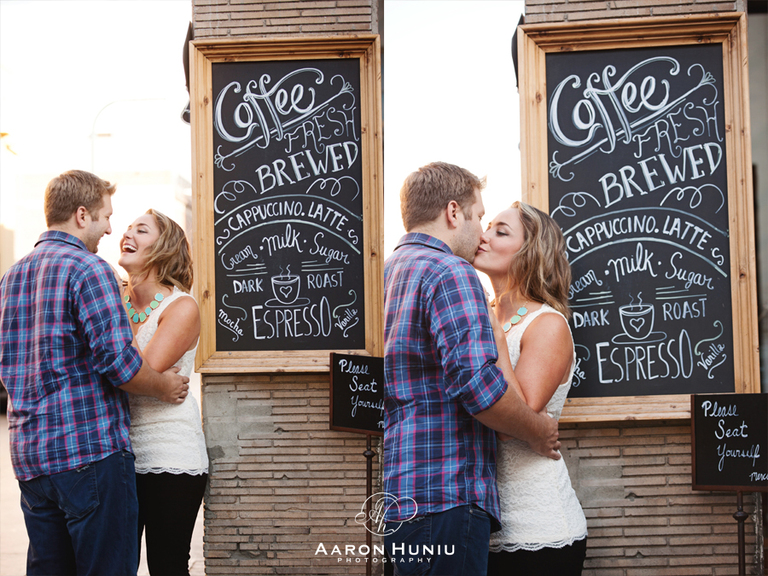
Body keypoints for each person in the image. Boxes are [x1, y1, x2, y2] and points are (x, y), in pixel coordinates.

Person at [0, 170, 190, 576]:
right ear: (82, 215)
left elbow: (8, 366)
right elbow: (121, 367)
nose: (109, 228)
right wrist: (166, 385)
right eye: (106, 217)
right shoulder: (90, 270)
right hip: (88, 454)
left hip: (31, 458)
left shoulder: (11, 277)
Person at [382, 162, 561, 576]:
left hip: (401, 492)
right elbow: (479, 389)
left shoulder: (384, 273)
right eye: (480, 216)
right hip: (446, 493)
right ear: (452, 212)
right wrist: (538, 431)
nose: (480, 230)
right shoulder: (450, 272)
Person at [473, 201, 588, 575]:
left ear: (530, 252)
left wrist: (498, 339)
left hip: (539, 531)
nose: (483, 236)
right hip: (480, 525)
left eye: (500, 231)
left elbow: (514, 421)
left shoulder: (547, 325)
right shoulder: (483, 316)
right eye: (486, 226)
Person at [118, 209, 209, 576]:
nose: (126, 234)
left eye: (141, 230)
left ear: (164, 247)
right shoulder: (114, 300)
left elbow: (138, 372)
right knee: (116, 563)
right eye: (126, 228)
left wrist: (112, 330)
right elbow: (124, 370)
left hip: (170, 455)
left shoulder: (181, 307)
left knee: (166, 566)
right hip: (119, 453)